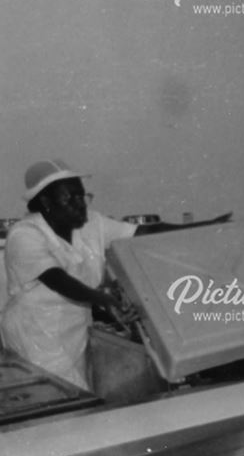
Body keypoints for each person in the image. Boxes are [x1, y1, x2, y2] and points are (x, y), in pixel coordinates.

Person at [1, 159, 230, 390]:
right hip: (35, 337)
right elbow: (58, 281)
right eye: (70, 198)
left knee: (77, 401)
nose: (81, 205)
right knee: (57, 407)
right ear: (46, 202)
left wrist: (202, 228)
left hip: (75, 332)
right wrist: (104, 300)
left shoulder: (91, 224)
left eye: (83, 196)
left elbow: (144, 232)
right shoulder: (25, 235)